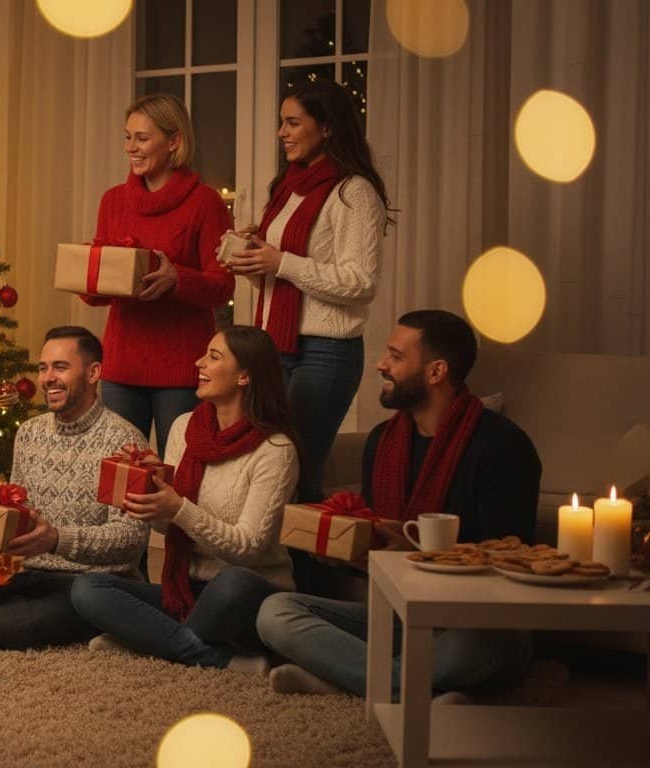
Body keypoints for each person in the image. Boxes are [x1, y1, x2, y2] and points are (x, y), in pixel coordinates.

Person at [256, 310, 541, 697]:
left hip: (474, 621)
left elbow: (510, 562)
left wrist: (422, 552)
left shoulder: (503, 447)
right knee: (276, 613)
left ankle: (348, 681)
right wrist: (356, 552)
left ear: (436, 372)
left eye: (395, 355)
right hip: (398, 615)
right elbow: (381, 549)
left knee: (481, 645)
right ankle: (413, 686)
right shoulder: (382, 442)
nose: (380, 364)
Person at [71, 326, 299, 672]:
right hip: (186, 589)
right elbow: (169, 527)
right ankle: (212, 656)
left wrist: (178, 507)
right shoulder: (185, 427)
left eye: (213, 356)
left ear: (244, 376)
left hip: (248, 590)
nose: (198, 362)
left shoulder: (275, 450)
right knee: (88, 588)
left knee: (231, 584)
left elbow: (249, 547)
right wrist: (152, 495)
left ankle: (147, 641)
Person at [0, 327, 149, 650]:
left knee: (6, 626)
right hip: (29, 576)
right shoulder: (29, 433)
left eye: (60, 367)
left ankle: (109, 624)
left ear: (94, 373)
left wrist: (57, 539)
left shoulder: (123, 441)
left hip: (90, 584)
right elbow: (19, 513)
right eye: (43, 368)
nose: (48, 378)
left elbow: (131, 539)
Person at [226, 79, 390, 506]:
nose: (281, 132)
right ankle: (269, 568)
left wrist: (281, 262)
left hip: (326, 352)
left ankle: (306, 570)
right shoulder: (287, 187)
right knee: (267, 468)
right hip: (273, 348)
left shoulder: (354, 192)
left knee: (298, 469)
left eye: (293, 122)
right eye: (282, 122)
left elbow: (360, 282)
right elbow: (283, 275)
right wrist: (251, 261)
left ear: (327, 128)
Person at [87, 93, 234, 455]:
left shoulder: (205, 202)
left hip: (182, 368)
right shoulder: (113, 201)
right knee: (122, 473)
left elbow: (222, 285)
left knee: (181, 469)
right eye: (127, 137)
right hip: (122, 365)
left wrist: (176, 279)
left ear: (174, 142)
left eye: (142, 138)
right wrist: (90, 278)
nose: (131, 148)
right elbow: (99, 290)